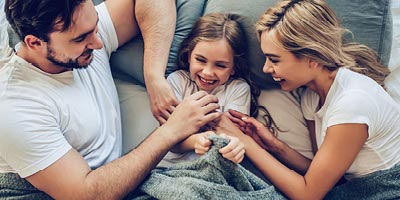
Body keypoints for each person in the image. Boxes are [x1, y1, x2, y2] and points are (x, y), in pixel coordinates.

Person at [0, 0, 222, 199]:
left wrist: (153, 75)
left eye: (95, 26)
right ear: (34, 43)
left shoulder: (81, 28)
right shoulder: (15, 107)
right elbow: (85, 195)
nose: (98, 43)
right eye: (81, 39)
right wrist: (172, 130)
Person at [215, 0, 400, 199]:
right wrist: (272, 146)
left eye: (274, 60)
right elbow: (317, 173)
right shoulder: (311, 97)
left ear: (312, 58)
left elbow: (308, 194)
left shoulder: (352, 103)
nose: (266, 69)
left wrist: (243, 142)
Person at [158, 13, 256, 167]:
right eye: (200, 60)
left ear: (234, 68)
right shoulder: (177, 81)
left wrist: (233, 148)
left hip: (210, 170)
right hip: (167, 168)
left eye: (220, 65)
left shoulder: (238, 89)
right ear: (189, 56)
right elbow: (169, 139)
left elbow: (232, 137)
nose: (207, 72)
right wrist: (196, 140)